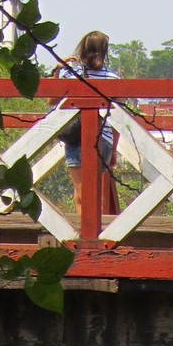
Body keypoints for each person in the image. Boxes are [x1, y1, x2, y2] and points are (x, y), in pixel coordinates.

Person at [58, 31, 120, 213]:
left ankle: (86, 237)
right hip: (104, 139)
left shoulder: (71, 74)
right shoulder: (113, 78)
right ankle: (93, 235)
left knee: (82, 195)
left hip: (77, 137)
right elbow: (118, 119)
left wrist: (58, 70)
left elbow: (52, 100)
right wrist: (114, 149)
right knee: (89, 195)